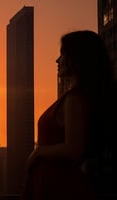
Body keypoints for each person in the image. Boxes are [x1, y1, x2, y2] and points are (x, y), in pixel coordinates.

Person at [22, 30, 117, 200]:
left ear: (78, 58)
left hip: (58, 185)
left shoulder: (74, 99)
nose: (58, 60)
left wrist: (38, 153)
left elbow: (73, 149)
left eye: (63, 53)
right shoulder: (79, 96)